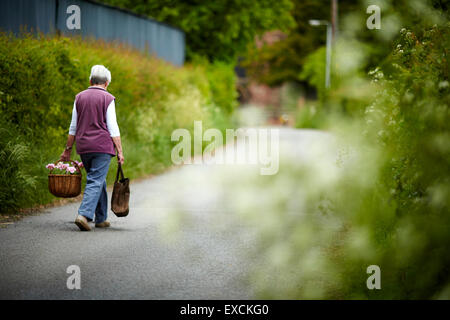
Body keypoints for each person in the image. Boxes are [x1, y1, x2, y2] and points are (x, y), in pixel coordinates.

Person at [60, 65, 124, 231]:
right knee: (96, 179)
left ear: (90, 80)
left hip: (84, 146)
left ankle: (101, 218)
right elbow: (113, 126)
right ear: (107, 83)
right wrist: (120, 151)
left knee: (97, 178)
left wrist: (67, 149)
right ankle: (84, 214)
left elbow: (73, 127)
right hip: (102, 146)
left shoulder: (79, 97)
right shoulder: (108, 98)